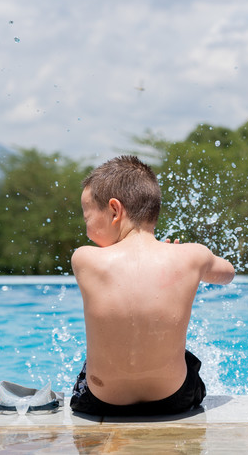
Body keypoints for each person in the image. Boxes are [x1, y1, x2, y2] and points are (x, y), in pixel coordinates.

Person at [69, 155, 235, 416]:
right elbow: (228, 274)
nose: (87, 230)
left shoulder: (85, 259)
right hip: (173, 398)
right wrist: (187, 262)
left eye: (87, 218)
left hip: (102, 400)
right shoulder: (192, 256)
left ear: (114, 210)